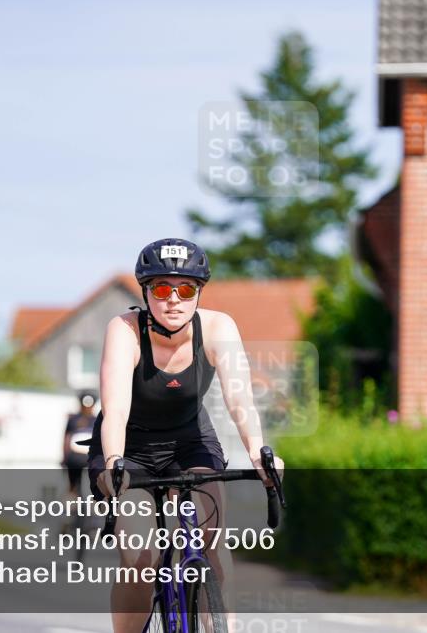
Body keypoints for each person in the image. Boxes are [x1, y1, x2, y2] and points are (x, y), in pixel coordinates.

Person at [88, 237, 284, 633]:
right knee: (141, 556)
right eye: (161, 288)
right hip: (130, 447)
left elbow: (239, 397)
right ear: (145, 293)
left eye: (186, 289)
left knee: (212, 546)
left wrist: (259, 452)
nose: (173, 299)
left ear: (198, 293)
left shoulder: (217, 327)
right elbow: (116, 410)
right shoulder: (124, 330)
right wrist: (113, 464)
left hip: (191, 440)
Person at [63, 390, 98, 496]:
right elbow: (67, 438)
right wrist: (65, 457)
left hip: (91, 460)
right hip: (75, 459)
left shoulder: (96, 420)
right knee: (74, 487)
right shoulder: (74, 419)